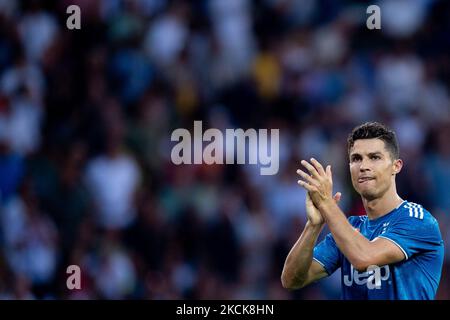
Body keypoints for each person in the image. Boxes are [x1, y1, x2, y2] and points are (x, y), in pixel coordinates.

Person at [281, 122, 444, 299]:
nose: (364, 166)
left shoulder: (417, 220)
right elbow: (291, 280)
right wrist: (313, 227)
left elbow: (364, 257)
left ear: (396, 166)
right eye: (356, 158)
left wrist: (327, 204)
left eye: (374, 157)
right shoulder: (350, 227)